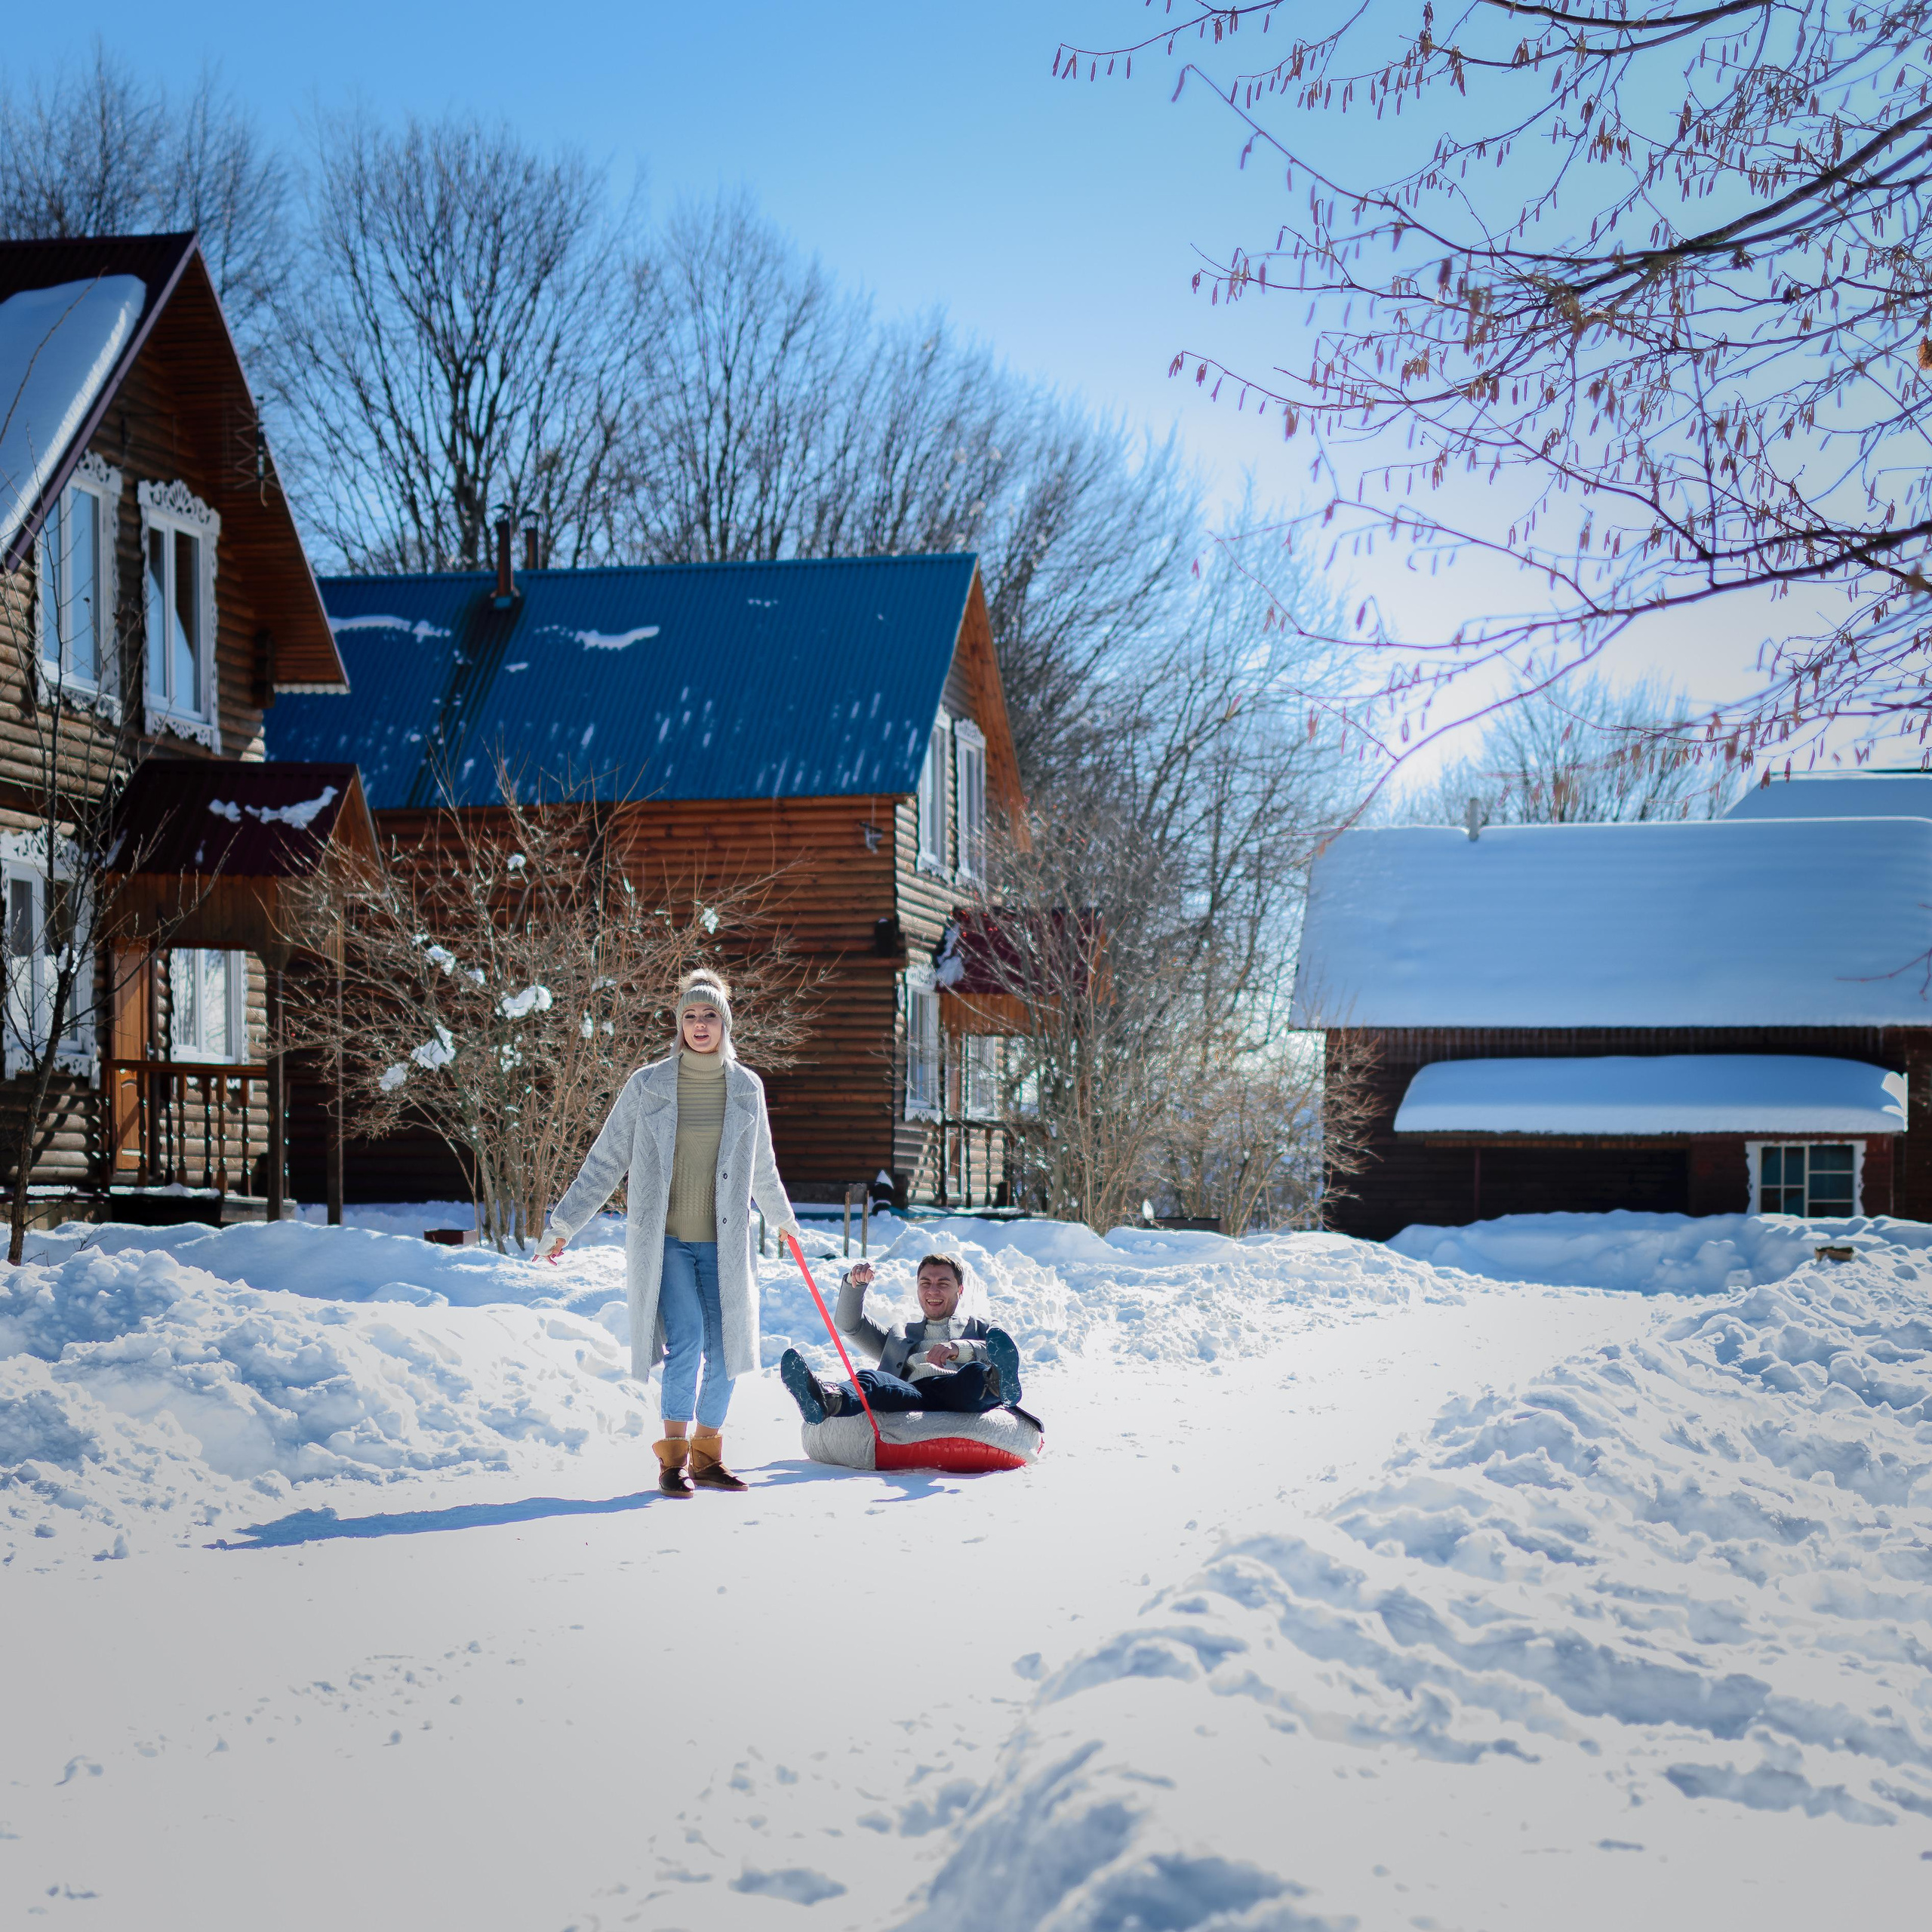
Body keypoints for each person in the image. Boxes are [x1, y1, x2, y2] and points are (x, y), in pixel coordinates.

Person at [542, 972, 801, 1497]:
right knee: (686, 1339)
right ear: (678, 1024)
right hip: (667, 1243)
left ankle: (708, 1456)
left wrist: (784, 1221)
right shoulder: (649, 1084)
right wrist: (564, 1224)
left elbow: (762, 1169)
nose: (699, 1025)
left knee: (728, 1352)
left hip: (724, 1245)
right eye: (690, 1016)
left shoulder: (746, 1087)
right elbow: (607, 1160)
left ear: (724, 1023)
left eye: (709, 1016)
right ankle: (673, 1459)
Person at [778, 1252, 1023, 1424]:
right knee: (872, 1378)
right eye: (925, 1283)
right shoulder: (900, 1335)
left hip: (958, 1387)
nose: (932, 1291)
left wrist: (959, 1349)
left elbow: (1002, 1348)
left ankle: (997, 1384)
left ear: (960, 1290)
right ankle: (826, 1399)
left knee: (974, 1376)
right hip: (911, 1392)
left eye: (943, 1283)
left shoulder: (980, 1326)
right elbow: (849, 1325)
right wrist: (854, 1286)